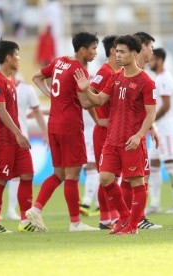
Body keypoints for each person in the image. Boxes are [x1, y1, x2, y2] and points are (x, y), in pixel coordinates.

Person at [75, 34, 157, 235]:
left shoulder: (146, 82)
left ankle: (132, 226)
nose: (117, 55)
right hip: (112, 140)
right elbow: (99, 100)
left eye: (122, 52)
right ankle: (125, 217)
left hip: (131, 141)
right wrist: (85, 91)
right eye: (116, 51)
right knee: (105, 179)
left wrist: (138, 136)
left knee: (137, 182)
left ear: (134, 53)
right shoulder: (115, 77)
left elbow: (151, 114)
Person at [26, 31, 100, 232]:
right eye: (93, 49)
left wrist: (51, 95)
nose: (95, 53)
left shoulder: (59, 62)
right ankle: (75, 222)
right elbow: (85, 103)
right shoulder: (79, 70)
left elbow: (36, 77)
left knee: (58, 173)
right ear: (83, 49)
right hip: (70, 126)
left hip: (54, 124)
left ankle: (36, 208)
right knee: (73, 175)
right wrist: (99, 98)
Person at [0, 39, 35, 234]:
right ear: (8, 58)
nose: (19, 59)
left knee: (27, 174)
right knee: (0, 180)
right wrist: (18, 133)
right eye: (17, 55)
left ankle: (25, 221)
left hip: (15, 139)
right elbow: (0, 109)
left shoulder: (10, 80)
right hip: (3, 139)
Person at [127, 31, 162, 230]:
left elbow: (144, 109)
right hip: (130, 135)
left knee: (136, 177)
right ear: (142, 47)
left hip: (137, 133)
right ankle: (134, 218)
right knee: (137, 177)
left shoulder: (141, 75)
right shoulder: (132, 74)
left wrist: (152, 128)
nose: (153, 53)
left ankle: (131, 217)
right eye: (151, 48)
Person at [88, 35, 120, 229]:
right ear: (113, 51)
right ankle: (107, 217)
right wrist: (98, 118)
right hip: (103, 131)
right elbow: (88, 93)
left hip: (115, 131)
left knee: (113, 176)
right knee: (106, 176)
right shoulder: (105, 71)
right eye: (121, 50)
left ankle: (109, 217)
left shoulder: (118, 72)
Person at [145, 48, 173, 215]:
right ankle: (154, 203)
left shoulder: (165, 78)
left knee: (170, 165)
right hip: (159, 127)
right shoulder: (158, 78)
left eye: (152, 59)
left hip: (167, 127)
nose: (149, 62)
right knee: (153, 165)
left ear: (159, 60)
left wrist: (150, 120)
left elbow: (166, 106)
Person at [6, 74, 48, 221]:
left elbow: (37, 111)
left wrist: (45, 132)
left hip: (21, 137)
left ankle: (16, 212)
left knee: (24, 174)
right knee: (2, 177)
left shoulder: (26, 89)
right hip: (5, 137)